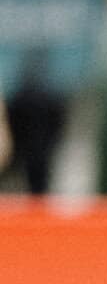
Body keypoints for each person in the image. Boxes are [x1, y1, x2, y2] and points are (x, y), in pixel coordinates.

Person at [4, 52, 69, 198]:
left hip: (35, 149)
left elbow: (57, 122)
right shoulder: (21, 97)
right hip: (32, 149)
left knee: (37, 180)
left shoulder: (50, 97)